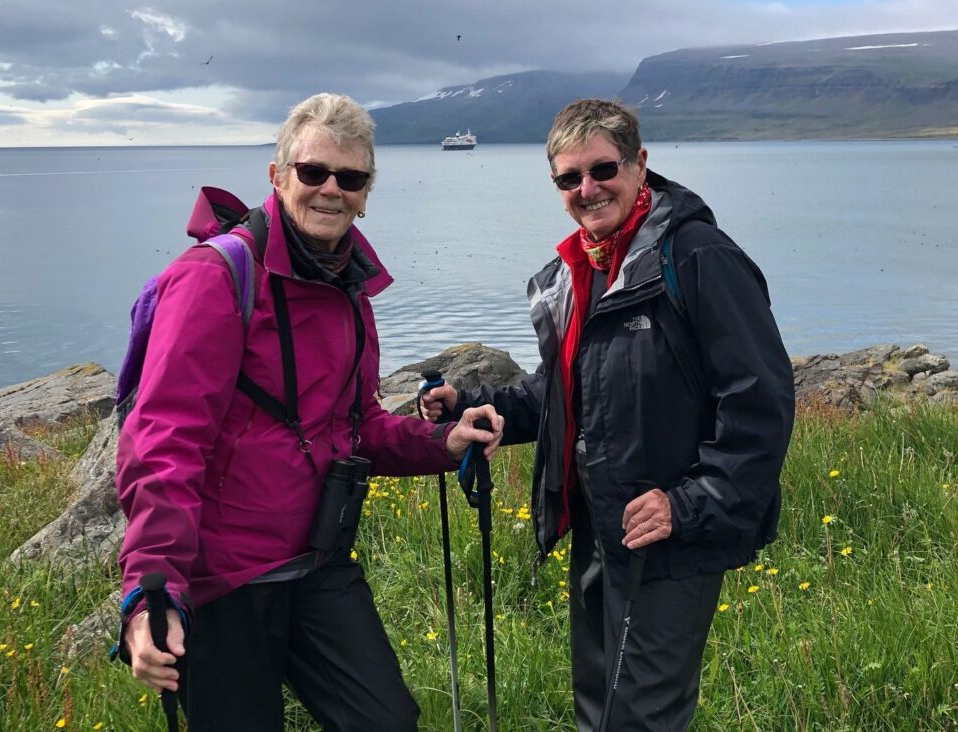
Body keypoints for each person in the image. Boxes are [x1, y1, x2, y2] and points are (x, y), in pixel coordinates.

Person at [114, 92, 503, 731]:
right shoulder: (215, 280)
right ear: (277, 175)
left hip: (319, 563)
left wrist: (443, 442)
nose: (331, 191)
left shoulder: (350, 286)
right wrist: (152, 590)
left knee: (387, 722)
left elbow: (358, 424)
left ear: (367, 189)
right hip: (224, 579)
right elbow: (165, 442)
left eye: (350, 178)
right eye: (313, 172)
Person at [422, 98, 795, 731]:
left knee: (640, 719)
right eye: (570, 178)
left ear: (640, 164)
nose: (587, 189)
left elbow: (762, 401)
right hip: (601, 526)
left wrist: (689, 501)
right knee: (597, 705)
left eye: (603, 169)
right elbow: (566, 389)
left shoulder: (697, 257)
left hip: (672, 536)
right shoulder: (585, 268)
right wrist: (483, 407)